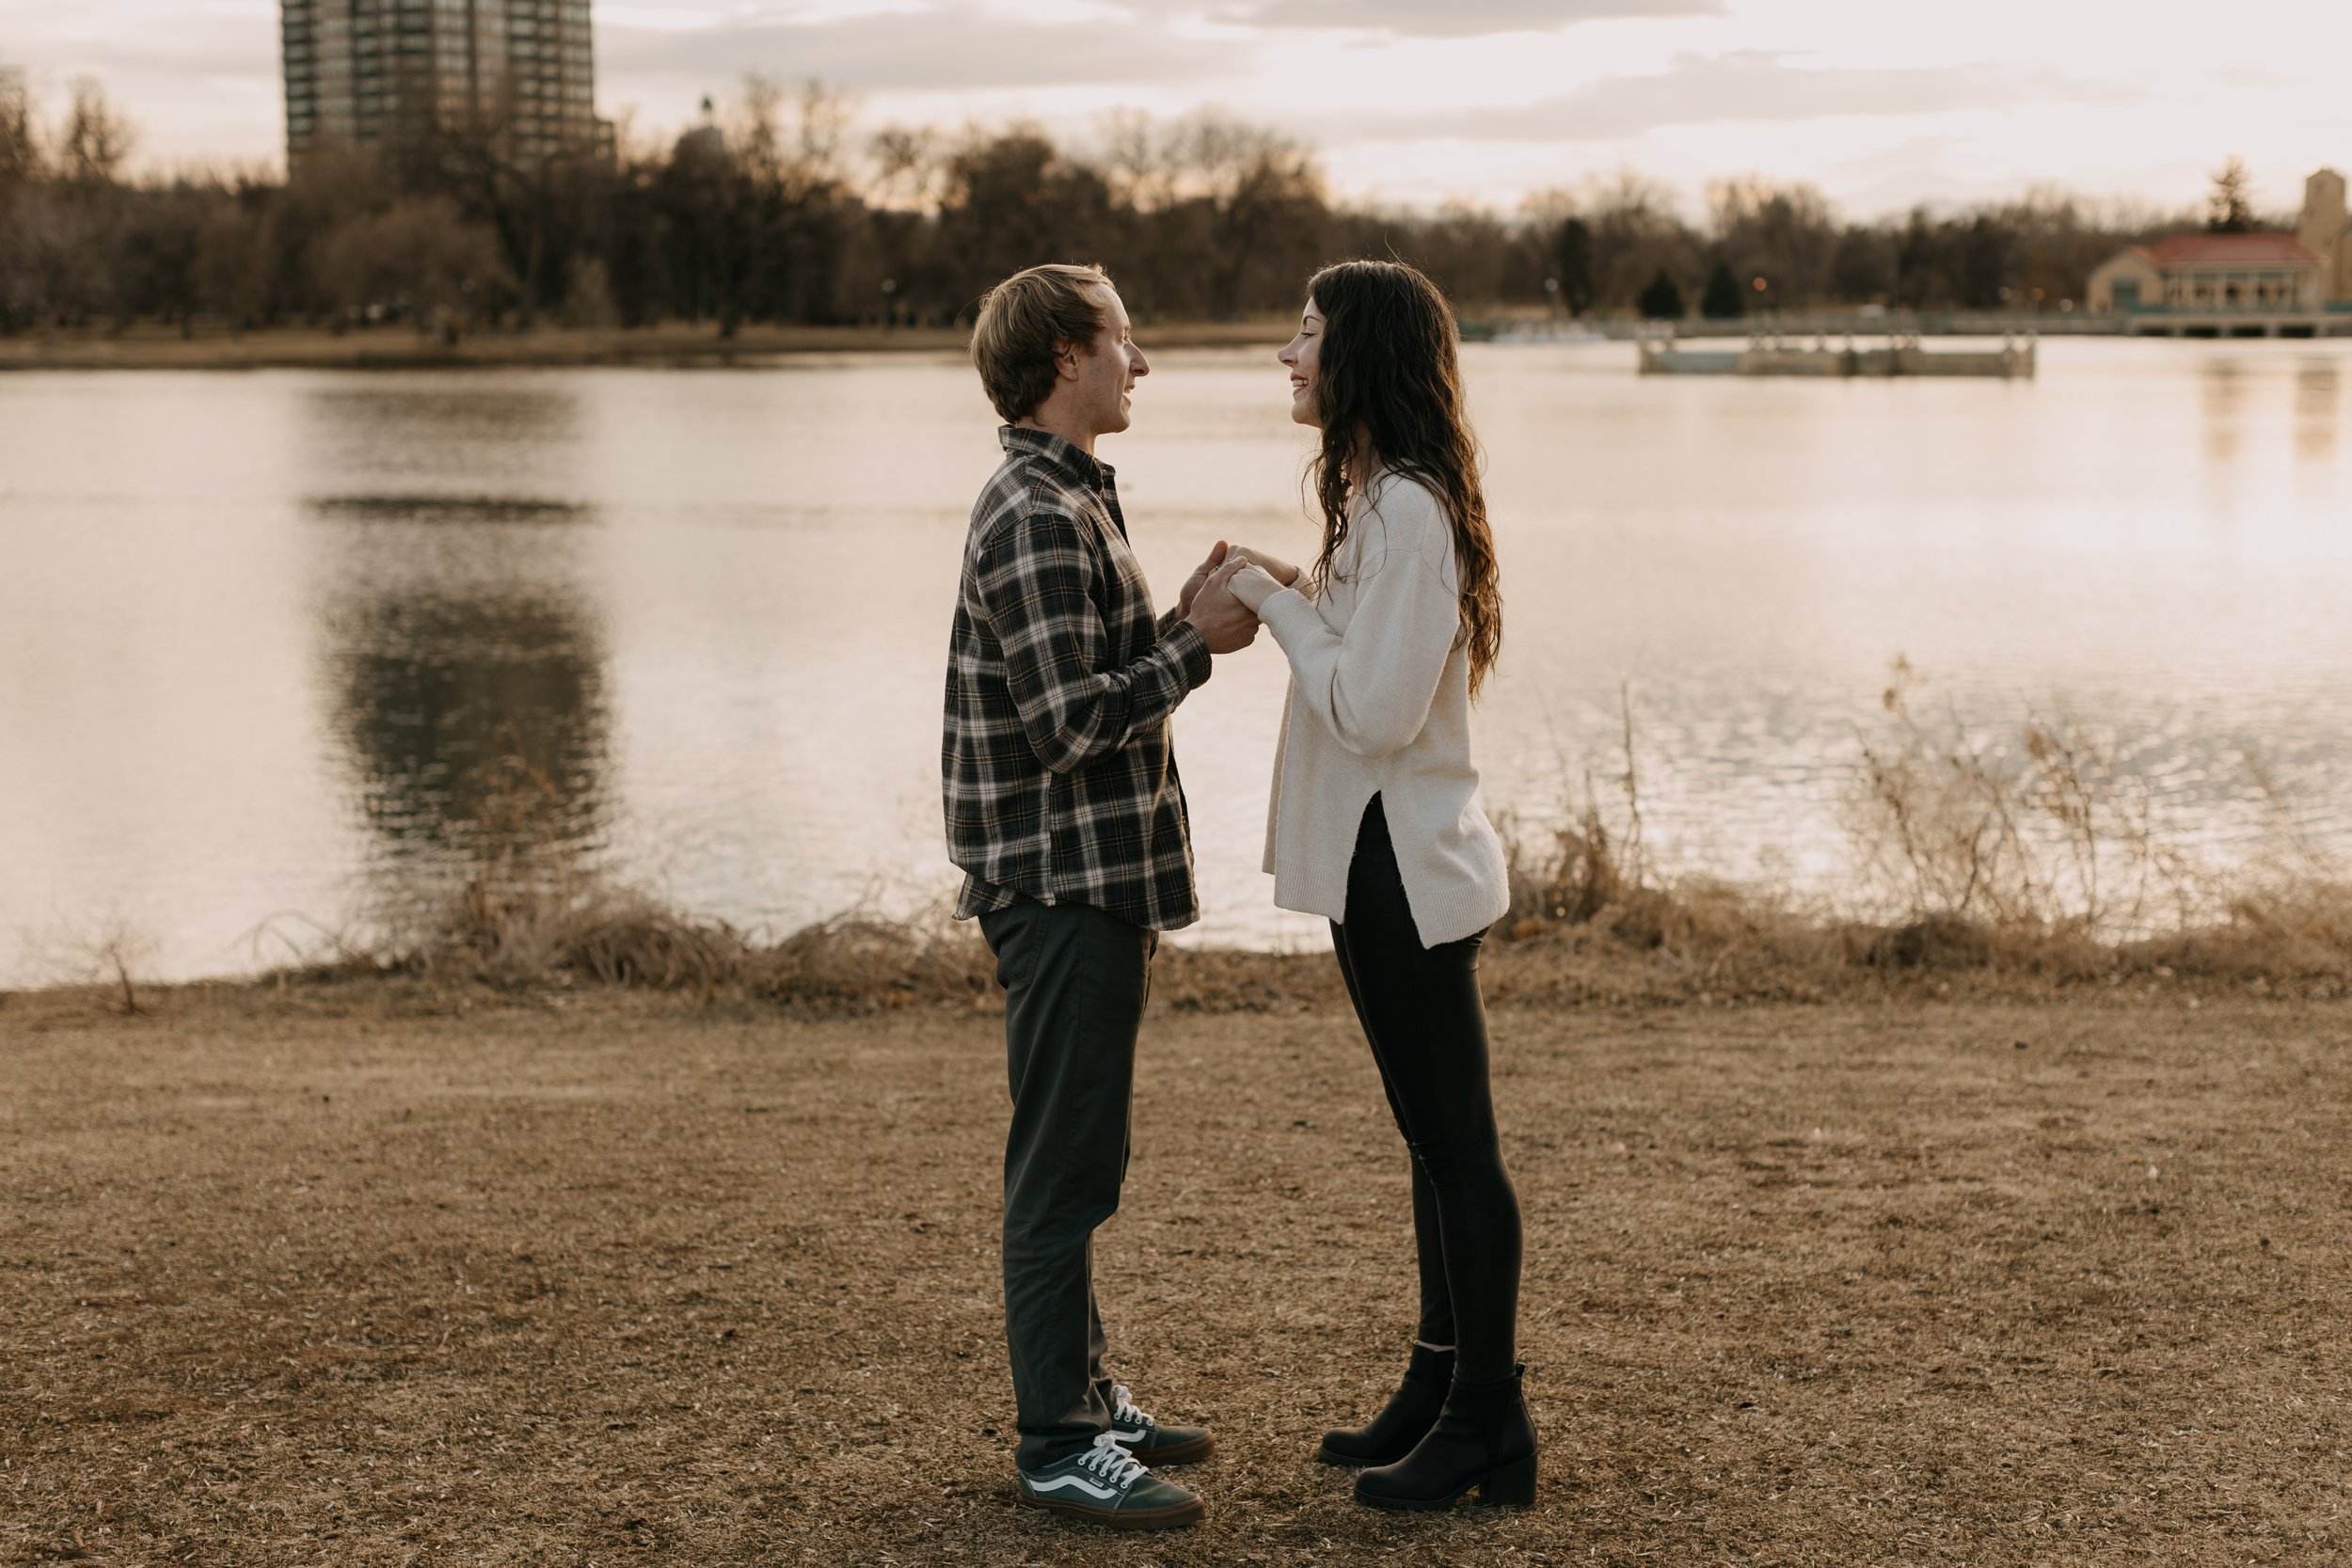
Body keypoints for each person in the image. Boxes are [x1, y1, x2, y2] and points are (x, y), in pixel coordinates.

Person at [942, 261, 1260, 1530]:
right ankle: (1057, 1441)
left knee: (1083, 1151)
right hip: (1059, 884)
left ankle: (1077, 1386)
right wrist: (1197, 647)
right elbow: (1072, 725)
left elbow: (1080, 673)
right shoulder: (1033, 511)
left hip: (1091, 883)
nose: (1143, 362)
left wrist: (1174, 615)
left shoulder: (1070, 498)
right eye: (1125, 341)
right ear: (1068, 357)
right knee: (1062, 1168)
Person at [1223, 259, 1532, 1513]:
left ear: (1366, 358)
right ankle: (1438, 1383)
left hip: (1404, 862)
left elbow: (1371, 707)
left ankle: (1487, 1426)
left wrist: (1263, 600)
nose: (1289, 355)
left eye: (1308, 334)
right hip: (1376, 858)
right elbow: (1359, 658)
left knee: (1459, 1149)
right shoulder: (1376, 506)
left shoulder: (1405, 511)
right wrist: (1298, 589)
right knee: (1431, 1139)